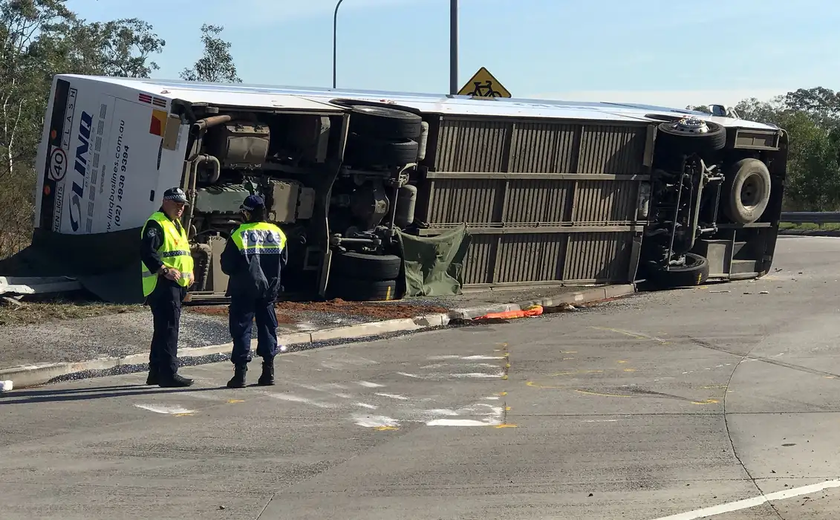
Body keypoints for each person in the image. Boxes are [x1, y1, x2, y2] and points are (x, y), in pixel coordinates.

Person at [220, 194, 288, 388]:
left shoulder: (239, 234)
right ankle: (268, 372)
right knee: (268, 328)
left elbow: (227, 265)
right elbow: (283, 262)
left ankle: (240, 375)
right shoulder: (277, 233)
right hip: (269, 291)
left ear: (248, 213)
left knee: (242, 329)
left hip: (244, 290)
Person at [140, 187, 195, 388]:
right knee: (169, 330)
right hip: (163, 284)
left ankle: (155, 373)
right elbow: (147, 252)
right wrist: (163, 270)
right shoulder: (156, 222)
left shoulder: (175, 223)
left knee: (163, 329)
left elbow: (181, 253)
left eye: (183, 205)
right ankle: (169, 374)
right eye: (177, 204)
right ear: (165, 201)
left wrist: (190, 272)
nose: (181, 208)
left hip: (176, 284)